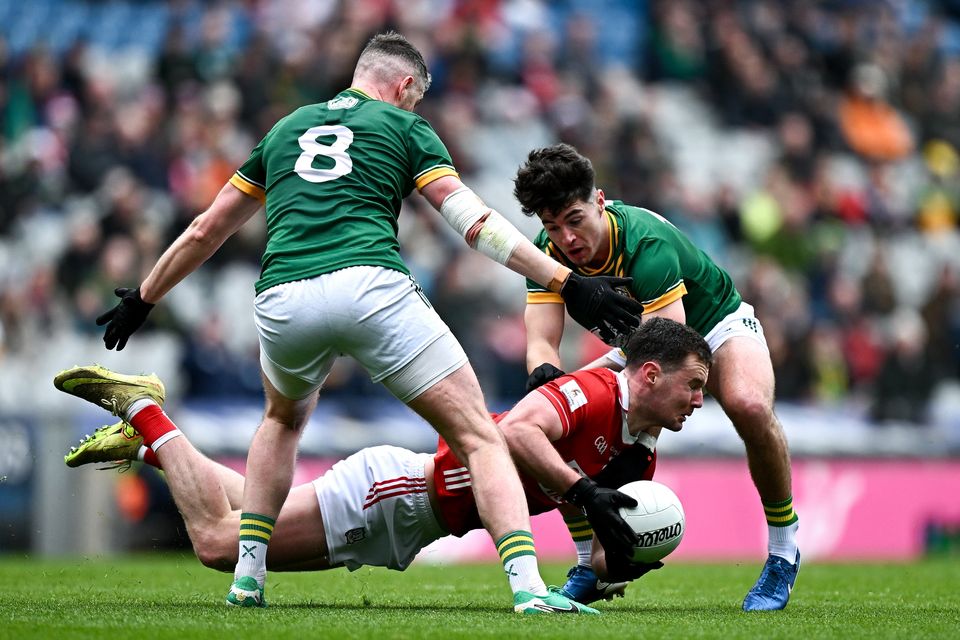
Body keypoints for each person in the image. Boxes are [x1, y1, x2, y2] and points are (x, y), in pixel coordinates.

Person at [86, 33, 644, 612]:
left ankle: (247, 580)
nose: (415, 110)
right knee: (478, 435)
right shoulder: (404, 128)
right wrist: (567, 281)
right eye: (416, 100)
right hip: (369, 286)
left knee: (280, 421)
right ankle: (529, 590)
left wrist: (144, 297)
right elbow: (473, 223)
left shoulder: (285, 129)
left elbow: (207, 229)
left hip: (283, 295)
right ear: (405, 87)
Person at [55, 318, 710, 609]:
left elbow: (592, 549)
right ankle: (148, 414)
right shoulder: (593, 392)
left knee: (241, 507)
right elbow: (516, 436)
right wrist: (582, 489)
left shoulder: (636, 455)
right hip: (398, 494)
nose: (700, 401)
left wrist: (623, 559)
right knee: (217, 544)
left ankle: (148, 451)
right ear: (650, 376)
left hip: (407, 521)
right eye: (693, 386)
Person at [514, 143, 800, 612]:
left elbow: (666, 358)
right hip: (638, 347)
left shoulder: (645, 246)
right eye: (552, 226)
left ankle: (784, 552)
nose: (566, 239)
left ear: (600, 201)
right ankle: (589, 564)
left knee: (748, 404)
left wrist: (641, 443)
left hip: (711, 326)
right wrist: (544, 376)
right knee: (555, 415)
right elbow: (541, 341)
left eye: (574, 218)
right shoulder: (548, 253)